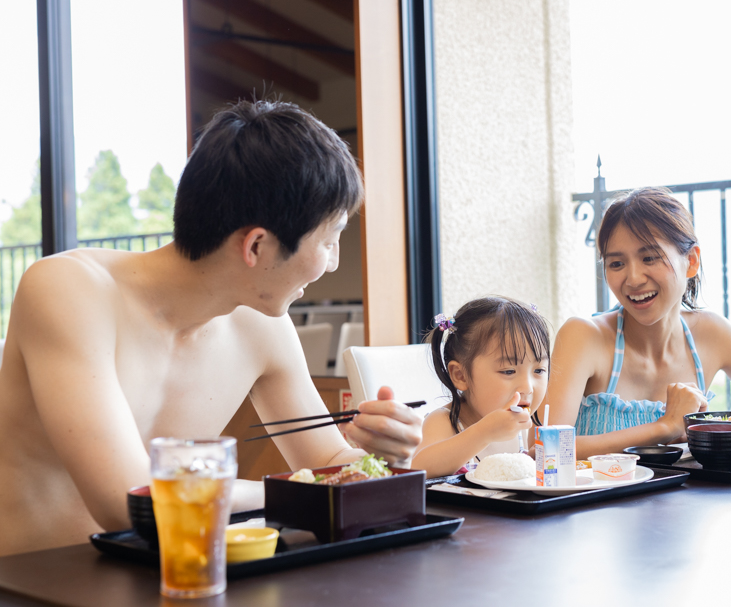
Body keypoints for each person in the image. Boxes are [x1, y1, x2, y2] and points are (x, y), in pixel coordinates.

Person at [0, 100, 422, 556]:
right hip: (35, 584)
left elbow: (327, 462)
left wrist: (380, 462)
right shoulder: (69, 290)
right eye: (328, 239)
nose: (333, 261)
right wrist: (305, 492)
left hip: (179, 578)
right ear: (256, 246)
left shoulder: (261, 326)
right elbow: (129, 504)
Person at [542, 187, 731, 459]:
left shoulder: (710, 334)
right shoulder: (584, 336)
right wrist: (664, 428)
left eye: (649, 257)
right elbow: (544, 447)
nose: (633, 278)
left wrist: (719, 430)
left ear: (691, 261)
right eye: (616, 264)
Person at [411, 297, 549, 478]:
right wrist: (484, 432)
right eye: (508, 371)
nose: (528, 387)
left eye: (539, 370)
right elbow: (419, 468)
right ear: (460, 376)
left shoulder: (521, 425)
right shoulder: (445, 421)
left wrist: (530, 461)